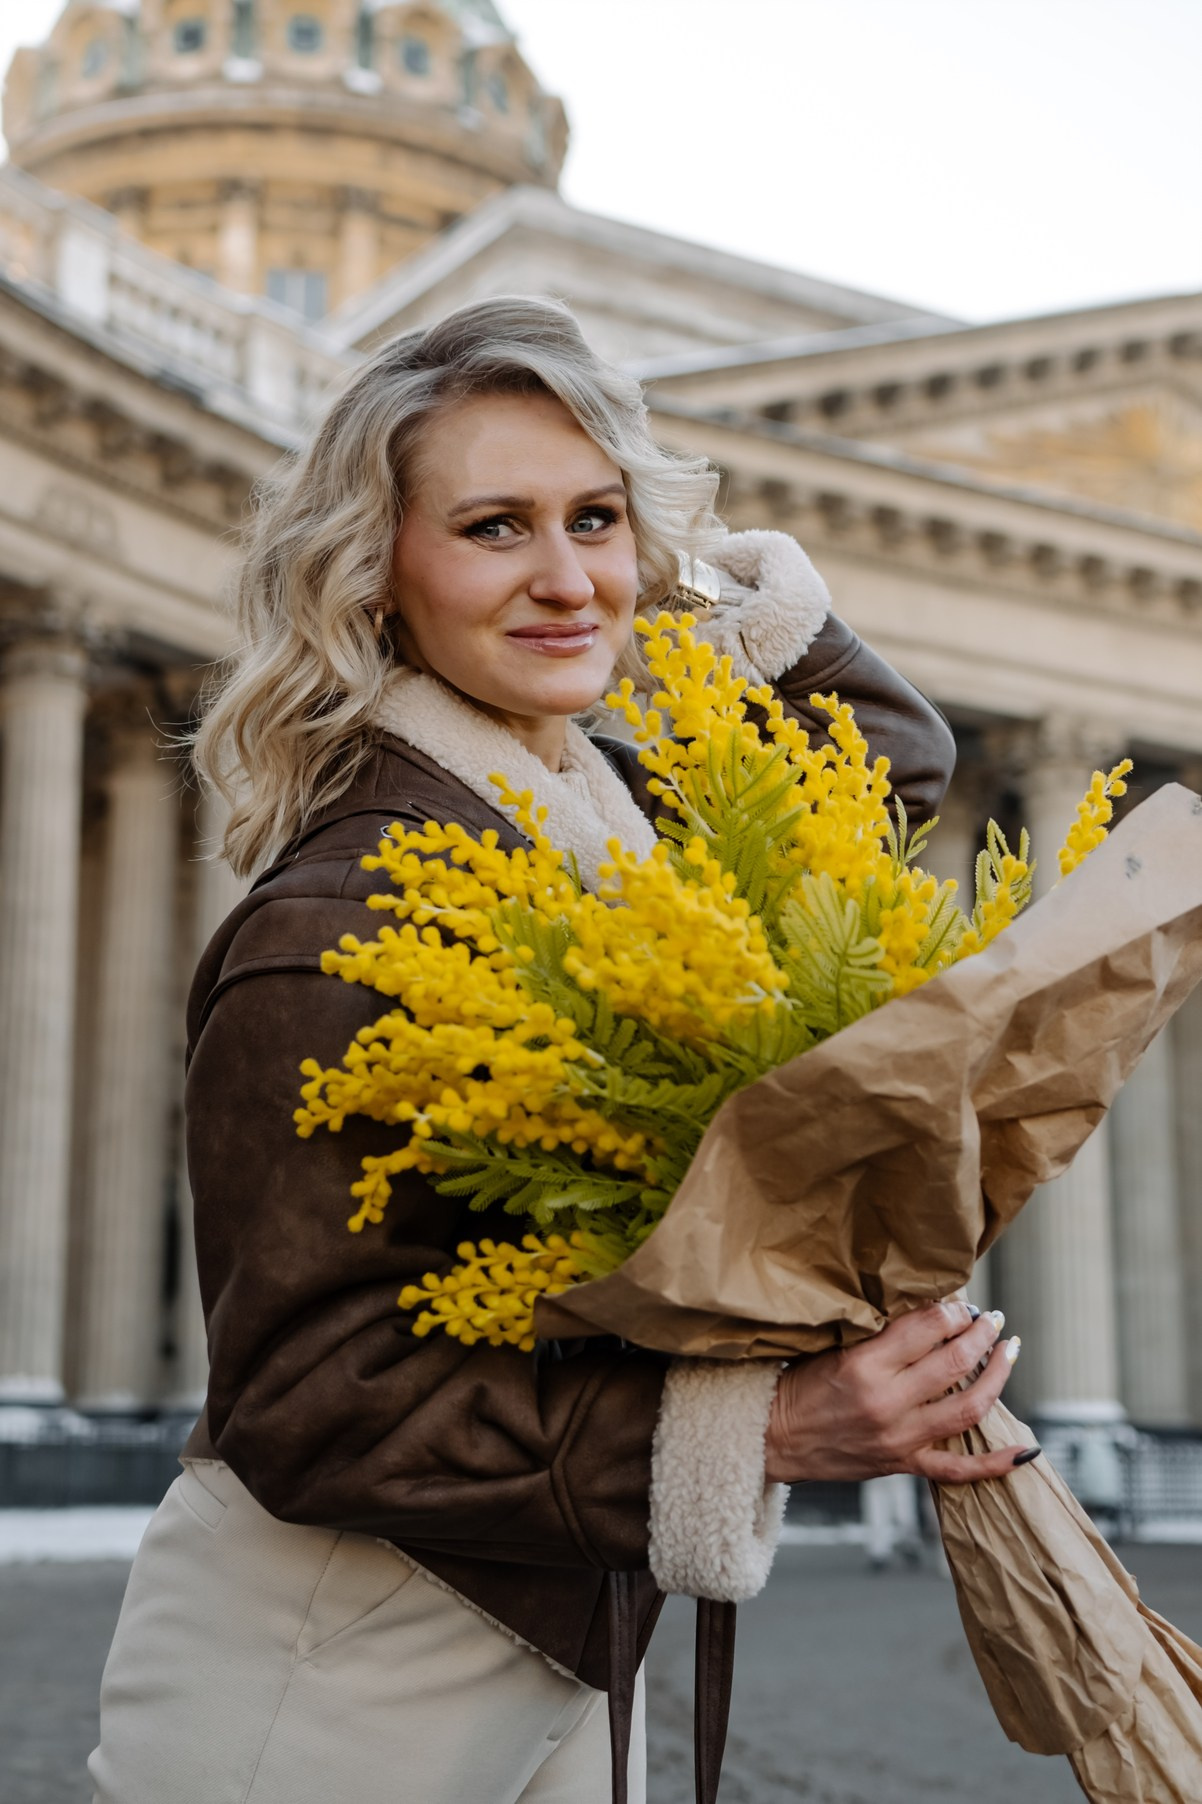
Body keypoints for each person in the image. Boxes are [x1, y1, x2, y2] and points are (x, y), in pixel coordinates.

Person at [88, 296, 1028, 1804]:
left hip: (560, 1641)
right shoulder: (342, 919)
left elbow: (880, 784)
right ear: (375, 576)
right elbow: (308, 1403)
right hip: (330, 1671)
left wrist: (677, 580)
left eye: (594, 518)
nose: (565, 577)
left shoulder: (590, 837)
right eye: (492, 528)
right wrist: (765, 1429)